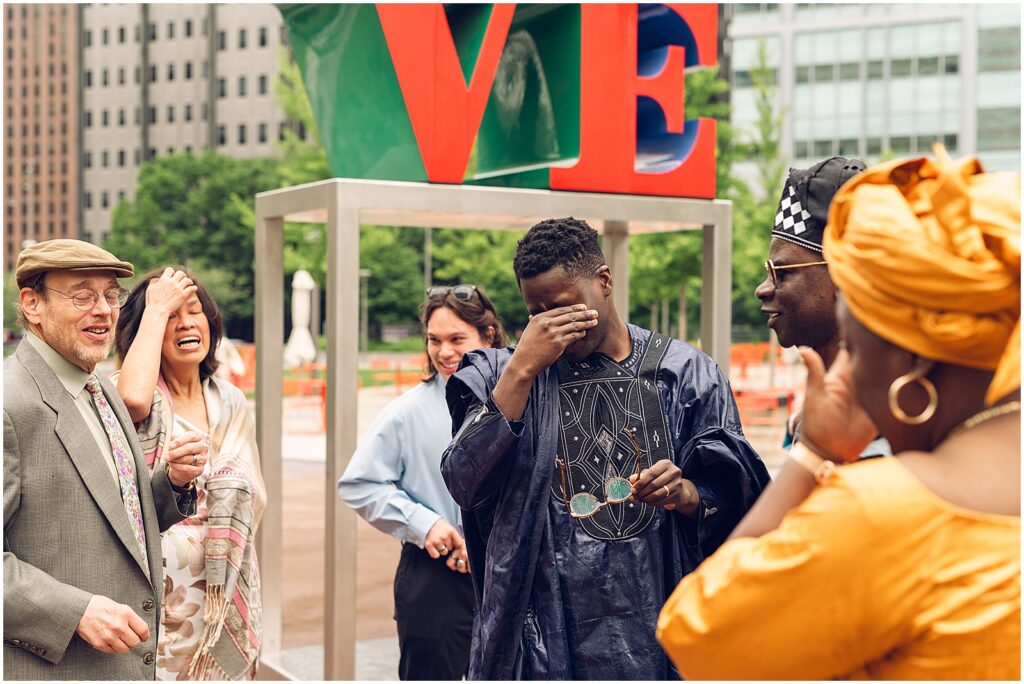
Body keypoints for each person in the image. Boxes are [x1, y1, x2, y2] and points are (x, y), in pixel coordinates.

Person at [657, 146, 1020, 679]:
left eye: (857, 340)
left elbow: (697, 633)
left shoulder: (888, 510)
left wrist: (815, 455)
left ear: (912, 358)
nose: (849, 362)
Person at [441, 218, 771, 680]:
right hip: (544, 646)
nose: (553, 325)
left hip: (658, 638)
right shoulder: (503, 375)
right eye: (537, 313)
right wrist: (521, 371)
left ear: (604, 281)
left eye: (563, 307)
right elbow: (463, 479)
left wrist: (686, 494)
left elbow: (742, 503)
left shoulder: (686, 375)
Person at [3, 241, 206, 679]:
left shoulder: (99, 387)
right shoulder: (8, 402)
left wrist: (171, 483)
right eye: (82, 296)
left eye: (111, 296)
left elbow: (120, 517)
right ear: (32, 303)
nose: (103, 310)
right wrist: (74, 612)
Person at [339, 285, 508, 680]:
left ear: (489, 335)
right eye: (434, 340)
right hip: (436, 582)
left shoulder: (522, 404)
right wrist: (424, 523)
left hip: (507, 577)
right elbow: (359, 483)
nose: (444, 352)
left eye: (456, 339)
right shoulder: (405, 413)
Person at [113, 267, 266, 681]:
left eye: (194, 311)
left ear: (210, 323)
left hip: (222, 594)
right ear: (147, 328)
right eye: (169, 315)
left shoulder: (230, 399)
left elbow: (254, 494)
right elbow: (131, 400)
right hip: (156, 605)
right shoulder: (126, 396)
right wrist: (153, 306)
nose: (185, 323)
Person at [756, 156, 889, 457]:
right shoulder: (807, 422)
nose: (762, 289)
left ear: (844, 275)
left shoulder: (894, 430)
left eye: (782, 272)